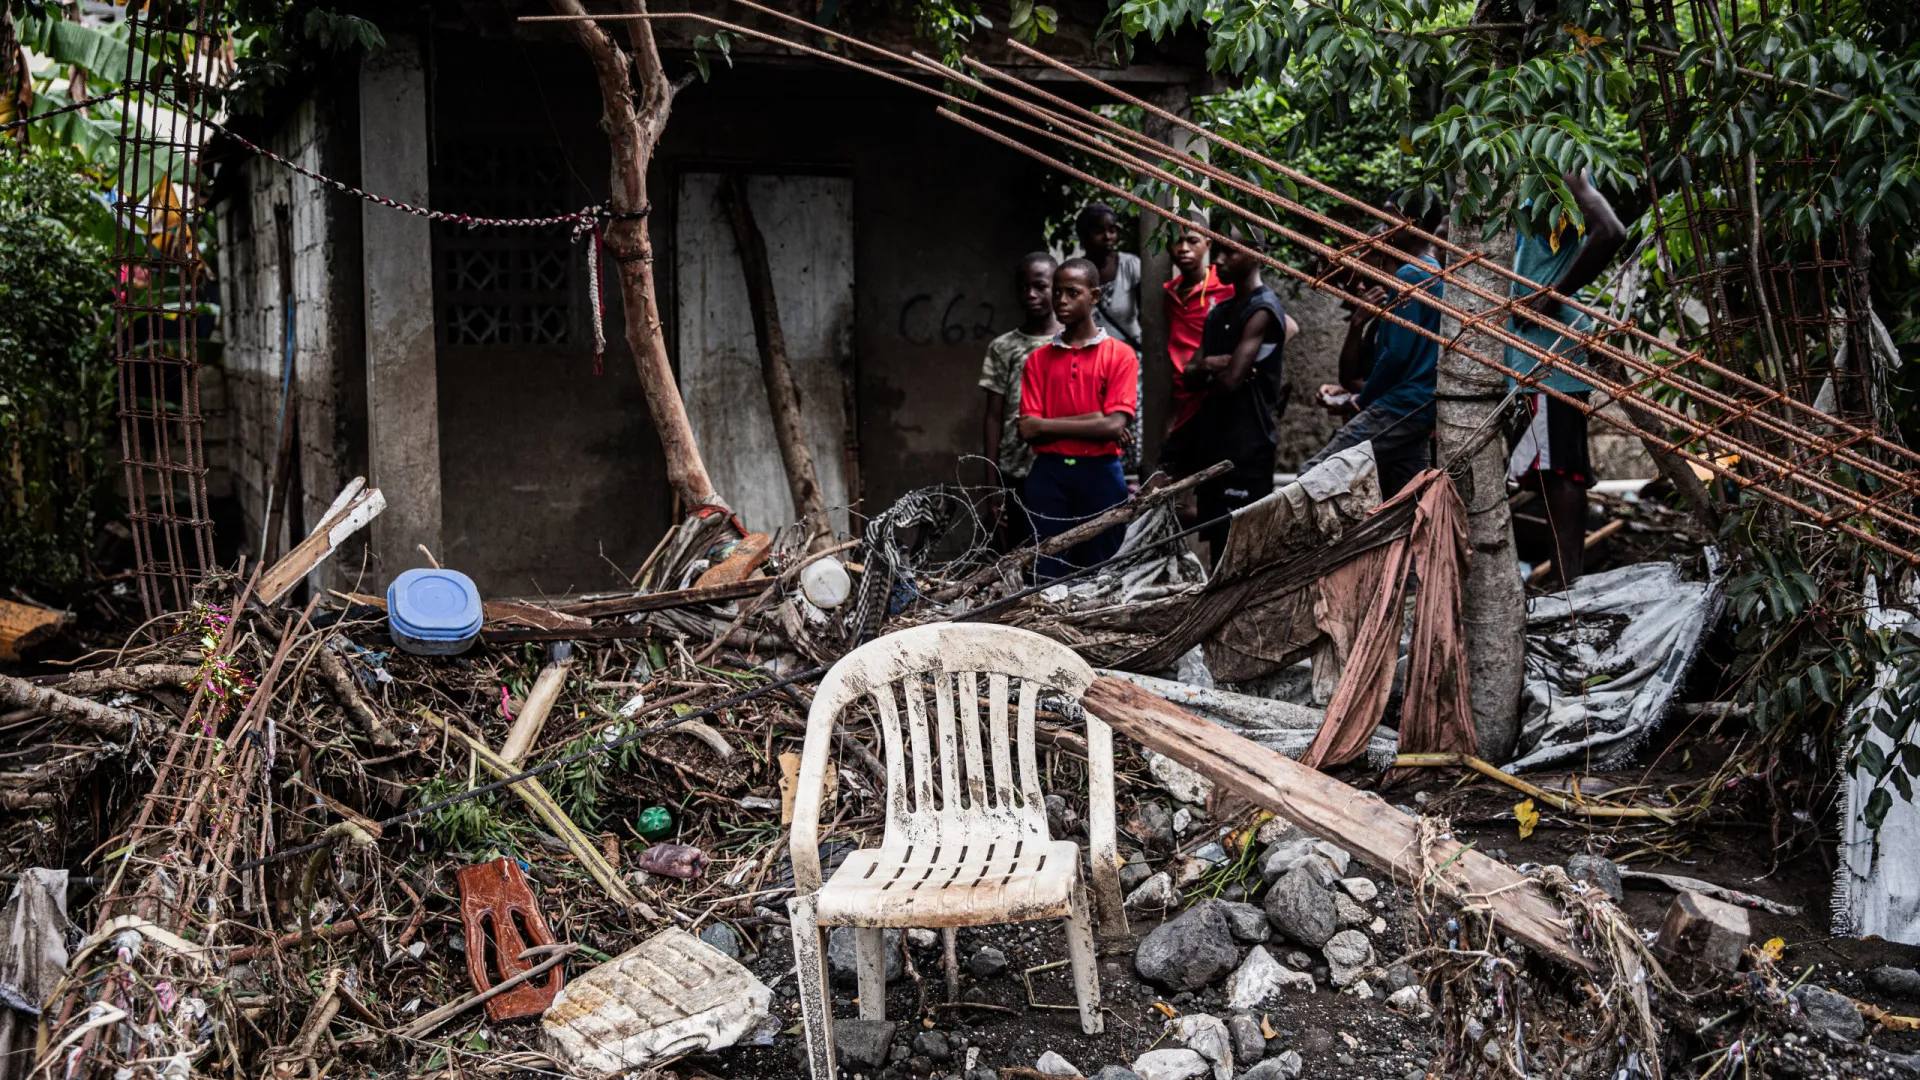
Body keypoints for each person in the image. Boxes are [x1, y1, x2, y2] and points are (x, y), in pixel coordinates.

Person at [1504, 171, 1627, 590]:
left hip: (1549, 354)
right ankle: (1564, 580)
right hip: (1530, 355)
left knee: (1560, 472)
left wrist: (1552, 294)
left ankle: (1566, 583)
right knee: (1546, 470)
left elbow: (1610, 231)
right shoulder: (1515, 180)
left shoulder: (1560, 169)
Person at [1161, 223, 1297, 564]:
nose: (1219, 260)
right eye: (1218, 250)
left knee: (1245, 548)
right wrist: (1210, 364)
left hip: (1247, 446)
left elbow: (1231, 381)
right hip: (1215, 442)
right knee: (1218, 543)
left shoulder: (1263, 309)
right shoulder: (1220, 311)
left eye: (1230, 252)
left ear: (1257, 255)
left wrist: (1210, 370)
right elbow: (1189, 377)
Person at [1301, 212, 1445, 499]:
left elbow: (1395, 356)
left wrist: (1362, 399)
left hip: (1400, 405)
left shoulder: (1410, 277)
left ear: (1380, 259)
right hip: (1418, 409)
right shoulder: (1427, 276)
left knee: (1311, 475)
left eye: (1362, 271)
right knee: (1407, 498)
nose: (1359, 286)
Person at [1018, 257, 1140, 581]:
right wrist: (1095, 419)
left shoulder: (1120, 355)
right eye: (1057, 292)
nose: (1061, 300)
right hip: (1049, 474)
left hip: (1100, 473)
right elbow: (1028, 430)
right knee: (1048, 573)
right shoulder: (1038, 360)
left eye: (1072, 292)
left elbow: (1114, 426)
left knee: (1101, 571)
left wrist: (1047, 424)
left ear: (1094, 296)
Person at [978, 252, 1061, 550]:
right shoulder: (1003, 347)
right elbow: (993, 416)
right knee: (1019, 551)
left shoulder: (1073, 342)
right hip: (1015, 470)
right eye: (1024, 287)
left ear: (1057, 288)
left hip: (1062, 467)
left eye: (1040, 286)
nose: (1031, 294)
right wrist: (992, 484)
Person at [1076, 203, 1144, 467]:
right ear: (1083, 236)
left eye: (1112, 230)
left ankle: (1133, 482)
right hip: (1091, 365)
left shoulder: (1131, 266)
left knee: (1130, 426)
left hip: (1128, 363)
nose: (1108, 237)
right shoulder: (1076, 273)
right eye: (1099, 231)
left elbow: (1149, 315)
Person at [1160, 212, 1234, 443]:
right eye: (1177, 241)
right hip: (1182, 397)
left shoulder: (1224, 287)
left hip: (1214, 396)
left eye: (1192, 241)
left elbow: (1283, 325)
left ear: (1207, 245)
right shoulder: (1169, 294)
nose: (1184, 248)